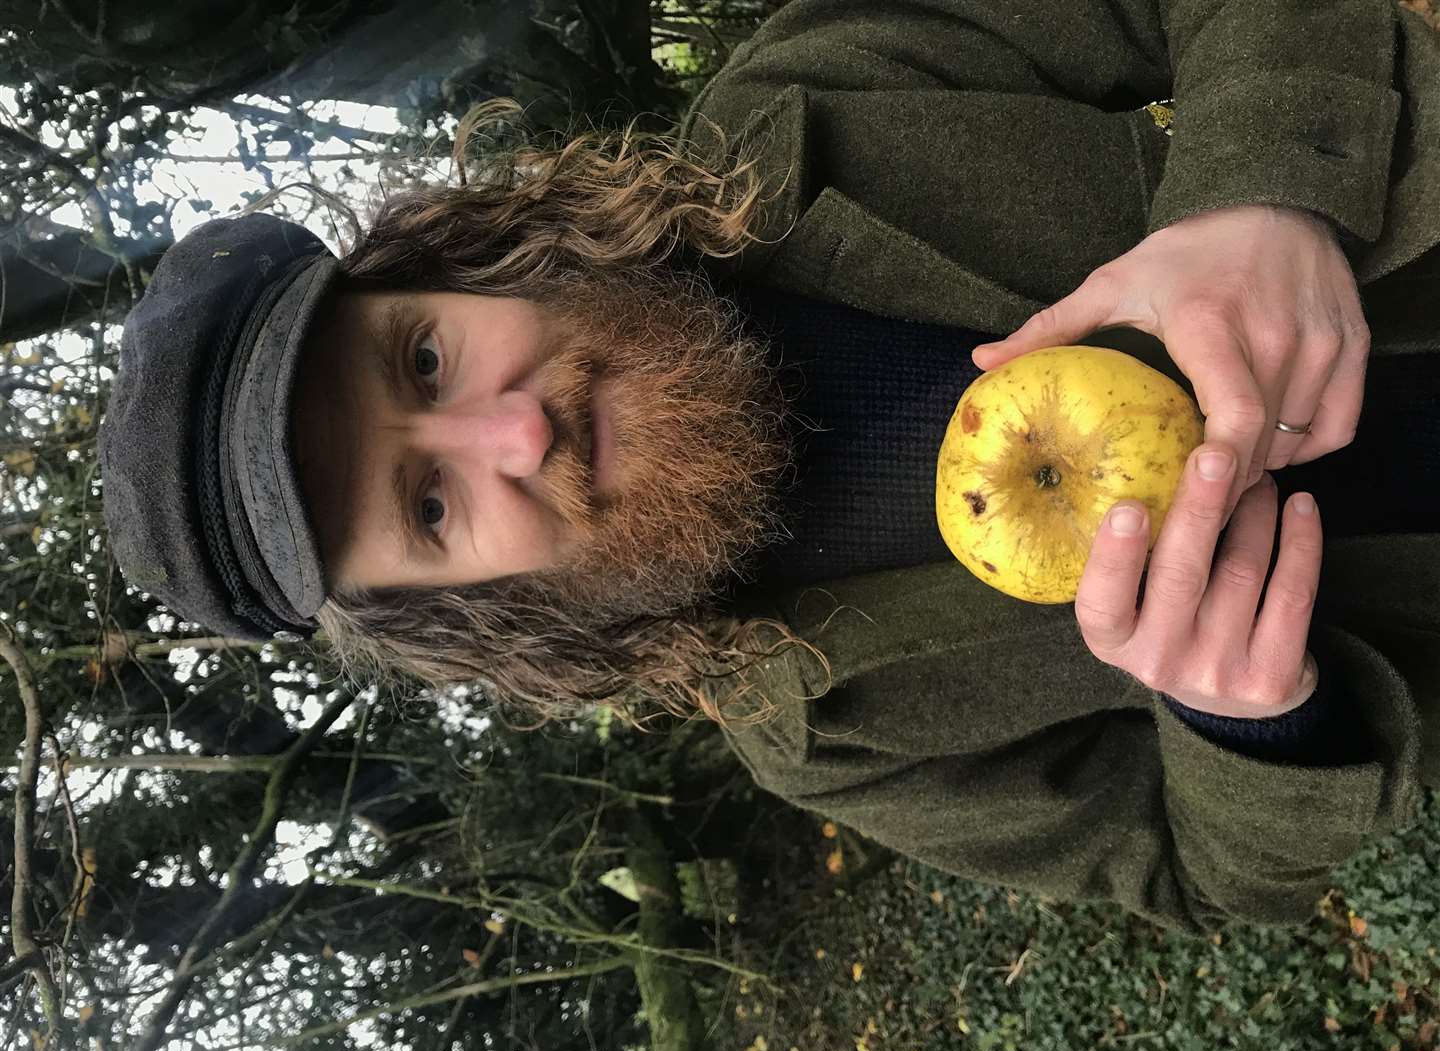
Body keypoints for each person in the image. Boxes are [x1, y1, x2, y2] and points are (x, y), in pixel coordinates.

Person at [99, 0, 1440, 938]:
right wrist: (1245, 723)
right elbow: (1194, 870)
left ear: (455, 269)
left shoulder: (799, 112)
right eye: (430, 504)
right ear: (475, 600)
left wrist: (1258, 192)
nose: (514, 437)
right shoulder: (828, 739)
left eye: (427, 365)